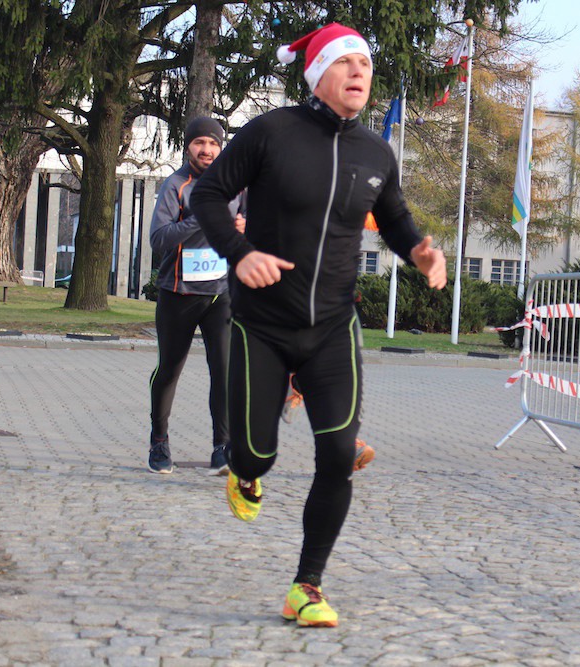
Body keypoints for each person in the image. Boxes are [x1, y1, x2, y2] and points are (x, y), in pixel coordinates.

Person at [191, 23, 446, 628]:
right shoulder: (271, 132)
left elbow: (394, 217)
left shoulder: (375, 153)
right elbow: (208, 195)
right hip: (261, 324)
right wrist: (239, 253)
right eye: (344, 62)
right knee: (256, 454)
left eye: (365, 64)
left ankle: (307, 586)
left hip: (332, 325)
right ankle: (246, 474)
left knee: (337, 453)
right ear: (316, 74)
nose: (359, 72)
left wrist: (419, 251)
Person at [147, 118, 245, 474]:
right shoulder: (176, 185)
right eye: (199, 142)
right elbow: (158, 239)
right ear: (188, 146)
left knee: (224, 370)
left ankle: (222, 446)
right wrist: (201, 219)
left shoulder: (236, 185)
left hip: (221, 293)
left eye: (213, 143)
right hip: (179, 293)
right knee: (170, 369)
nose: (207, 150)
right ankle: (159, 440)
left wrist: (245, 227)